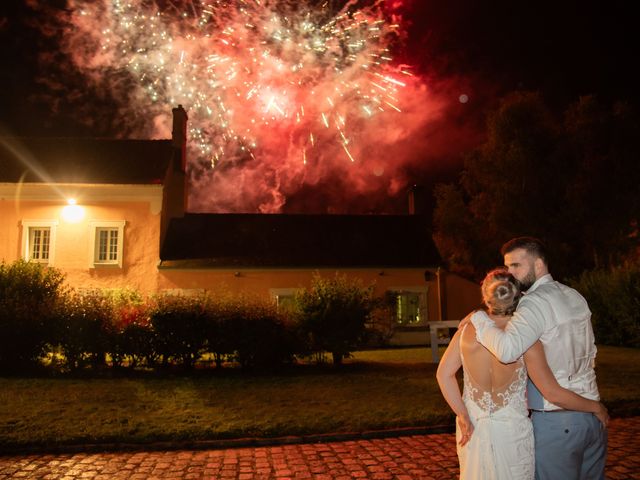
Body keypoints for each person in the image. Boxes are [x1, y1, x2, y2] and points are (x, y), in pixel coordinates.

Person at [437, 268, 608, 480]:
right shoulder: (526, 339)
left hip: (473, 428)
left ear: (484, 296)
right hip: (512, 433)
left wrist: (462, 414)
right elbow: (551, 391)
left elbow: (444, 375)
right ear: (518, 296)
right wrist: (595, 407)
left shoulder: (466, 331)